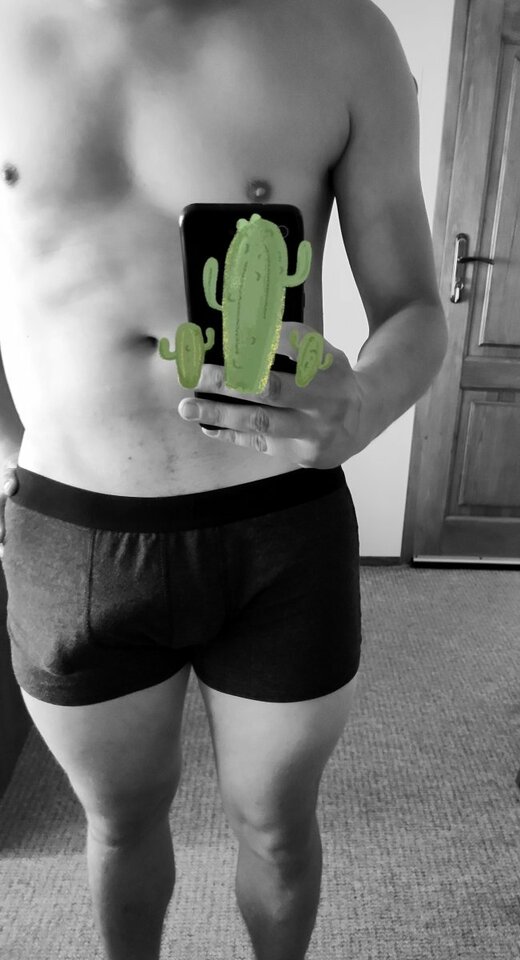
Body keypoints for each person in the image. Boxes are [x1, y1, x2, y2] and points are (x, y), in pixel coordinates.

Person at [0, 1, 448, 959]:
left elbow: (416, 306)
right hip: (70, 524)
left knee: (278, 826)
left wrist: (366, 404)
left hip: (278, 525)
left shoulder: (344, 35)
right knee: (118, 823)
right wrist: (8, 457)